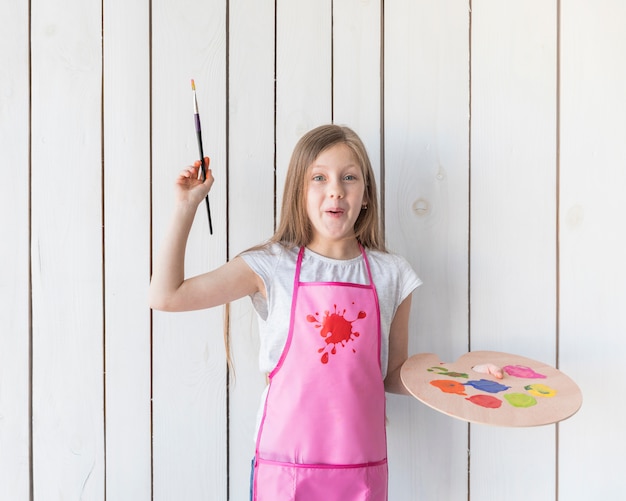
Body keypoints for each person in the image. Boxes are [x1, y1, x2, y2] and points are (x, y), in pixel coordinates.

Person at [149, 124, 502, 501]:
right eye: (319, 177)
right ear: (299, 192)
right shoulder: (271, 266)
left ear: (366, 194)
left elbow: (394, 374)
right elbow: (166, 296)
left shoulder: (392, 274)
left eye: (349, 177)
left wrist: (462, 379)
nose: (335, 189)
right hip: (283, 471)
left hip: (361, 473)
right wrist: (186, 208)